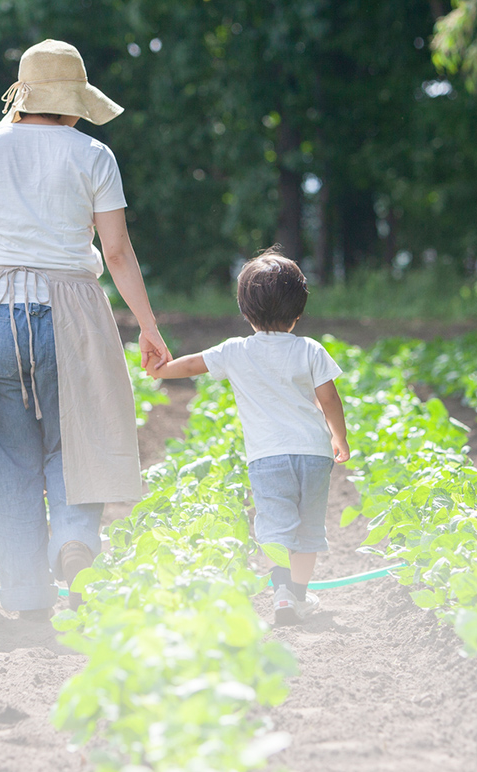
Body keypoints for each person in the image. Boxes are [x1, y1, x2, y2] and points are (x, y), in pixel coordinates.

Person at [0, 39, 170, 622]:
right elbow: (117, 251)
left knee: (7, 454)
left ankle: (27, 597)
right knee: (77, 435)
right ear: (73, 102)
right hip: (75, 312)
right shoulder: (94, 157)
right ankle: (75, 541)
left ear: (23, 96)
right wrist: (149, 328)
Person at [146, 247, 349, 624]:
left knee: (275, 525)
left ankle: (282, 592)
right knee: (308, 528)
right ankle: (298, 595)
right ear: (300, 310)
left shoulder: (235, 351)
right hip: (314, 454)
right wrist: (339, 437)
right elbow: (330, 398)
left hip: (267, 457)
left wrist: (161, 370)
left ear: (245, 311)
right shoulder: (310, 349)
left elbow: (193, 364)